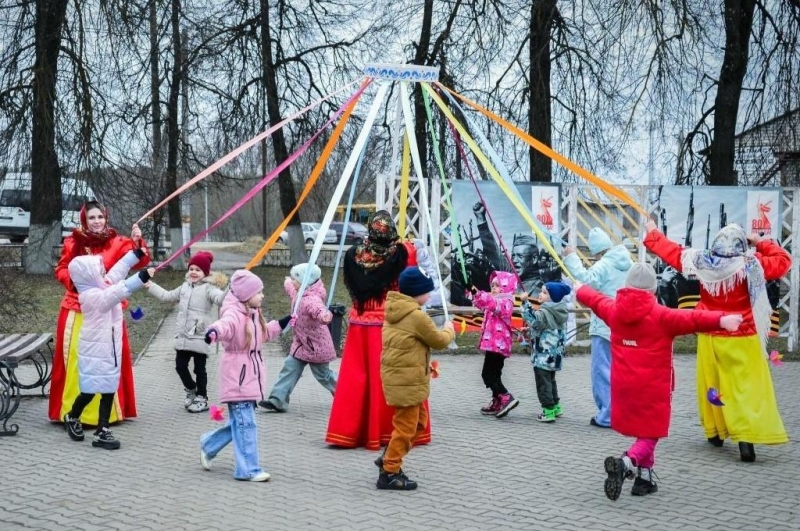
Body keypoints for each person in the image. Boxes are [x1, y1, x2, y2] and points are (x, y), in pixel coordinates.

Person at [575, 263, 743, 500]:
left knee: (645, 430)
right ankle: (626, 463)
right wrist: (721, 320)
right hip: (653, 387)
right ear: (653, 291)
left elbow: (596, 300)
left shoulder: (613, 311)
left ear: (626, 287)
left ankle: (644, 479)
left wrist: (580, 289)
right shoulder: (662, 316)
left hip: (623, 385)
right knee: (651, 433)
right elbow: (693, 318)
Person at [644, 220, 791, 462]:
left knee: (713, 386)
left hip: (711, 334)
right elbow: (784, 260)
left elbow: (671, 252)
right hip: (744, 337)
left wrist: (652, 232)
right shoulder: (752, 264)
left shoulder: (702, 261)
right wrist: (760, 243)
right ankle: (746, 441)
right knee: (745, 390)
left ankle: (715, 433)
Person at [325, 210, 422, 450]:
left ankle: (348, 431)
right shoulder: (403, 252)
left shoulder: (353, 254)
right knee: (391, 374)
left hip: (359, 323)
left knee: (356, 376)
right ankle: (390, 430)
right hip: (391, 321)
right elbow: (412, 281)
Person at [51, 201, 150, 425]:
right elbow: (61, 269)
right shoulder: (72, 242)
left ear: (106, 218)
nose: (96, 222)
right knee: (79, 359)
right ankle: (73, 412)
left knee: (107, 359)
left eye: (100, 217)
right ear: (84, 221)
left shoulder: (118, 242)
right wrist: (75, 284)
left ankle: (106, 416)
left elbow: (140, 260)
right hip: (77, 308)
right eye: (91, 218)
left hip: (108, 310)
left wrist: (138, 240)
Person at [199, 270, 289, 482]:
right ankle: (248, 469)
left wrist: (283, 323)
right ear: (245, 295)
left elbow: (263, 335)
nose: (262, 296)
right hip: (237, 379)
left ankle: (208, 445)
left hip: (250, 377)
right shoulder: (233, 313)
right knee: (246, 424)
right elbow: (224, 326)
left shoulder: (253, 314)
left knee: (239, 423)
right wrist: (214, 332)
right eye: (258, 292)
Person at [62, 249, 154, 450]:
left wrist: (134, 255)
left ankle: (102, 430)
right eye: (100, 272)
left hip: (109, 348)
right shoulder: (91, 295)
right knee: (90, 390)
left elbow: (117, 272)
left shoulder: (100, 285)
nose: (105, 275)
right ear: (89, 276)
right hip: (95, 350)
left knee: (108, 388)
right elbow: (116, 292)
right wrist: (142, 277)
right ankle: (72, 416)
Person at [376, 267, 455, 490]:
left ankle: (390, 455)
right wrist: (449, 329)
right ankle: (389, 472)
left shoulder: (397, 310)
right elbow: (439, 340)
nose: (429, 296)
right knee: (406, 427)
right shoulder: (416, 316)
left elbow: (409, 345)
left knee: (418, 423)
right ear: (416, 293)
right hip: (405, 381)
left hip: (405, 377)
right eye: (427, 292)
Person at [563, 228, 632, 427]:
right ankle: (624, 412)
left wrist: (571, 257)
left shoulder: (604, 264)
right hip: (624, 326)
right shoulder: (629, 263)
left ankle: (607, 415)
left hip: (604, 324)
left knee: (602, 371)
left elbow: (585, 281)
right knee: (622, 371)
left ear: (596, 252)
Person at [144, 251, 227, 413]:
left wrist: (231, 290)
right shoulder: (184, 287)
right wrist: (151, 286)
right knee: (180, 367)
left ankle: (202, 398)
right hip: (183, 335)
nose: (194, 272)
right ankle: (191, 390)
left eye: (198, 270)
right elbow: (167, 296)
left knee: (199, 369)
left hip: (200, 335)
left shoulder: (209, 288)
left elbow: (220, 299)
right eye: (191, 269)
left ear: (206, 273)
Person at [259, 263, 337, 412]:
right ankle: (277, 400)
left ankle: (345, 395)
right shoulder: (300, 292)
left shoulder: (311, 299)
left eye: (296, 279)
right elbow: (290, 290)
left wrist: (325, 316)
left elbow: (318, 309)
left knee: (324, 375)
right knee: (289, 368)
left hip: (316, 346)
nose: (293, 282)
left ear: (305, 281)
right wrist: (288, 281)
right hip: (301, 343)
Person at [520, 281, 571, 422]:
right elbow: (545, 329)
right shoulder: (559, 311)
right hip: (555, 355)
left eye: (544, 293)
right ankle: (556, 406)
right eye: (541, 291)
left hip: (543, 355)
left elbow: (533, 318)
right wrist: (530, 331)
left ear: (553, 297)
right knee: (551, 381)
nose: (540, 294)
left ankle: (548, 410)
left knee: (543, 383)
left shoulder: (545, 311)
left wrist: (524, 303)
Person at [473, 271, 519, 418]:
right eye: (492, 285)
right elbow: (481, 302)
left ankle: (505, 396)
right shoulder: (493, 300)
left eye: (497, 286)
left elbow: (492, 304)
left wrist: (478, 293)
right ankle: (497, 401)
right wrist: (470, 289)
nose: (493, 288)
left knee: (487, 374)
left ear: (506, 288)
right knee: (495, 374)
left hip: (498, 345)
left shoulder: (506, 302)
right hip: (492, 345)